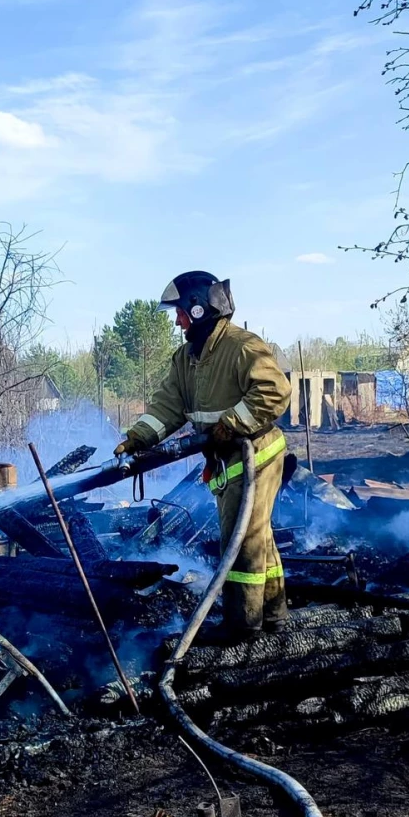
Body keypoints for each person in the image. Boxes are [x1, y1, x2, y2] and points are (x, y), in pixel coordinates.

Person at [114, 271, 292, 640]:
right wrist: (137, 438)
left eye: (180, 312)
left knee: (241, 541)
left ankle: (243, 626)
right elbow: (168, 406)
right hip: (228, 459)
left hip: (256, 455)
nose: (177, 321)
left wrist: (232, 424)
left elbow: (275, 391)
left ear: (198, 309)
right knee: (259, 536)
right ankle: (274, 615)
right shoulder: (187, 359)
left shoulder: (242, 346)